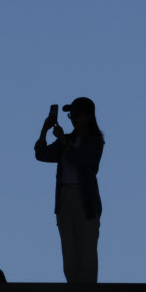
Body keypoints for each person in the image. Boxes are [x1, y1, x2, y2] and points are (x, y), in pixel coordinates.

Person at [34, 97, 105, 283]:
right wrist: (44, 130)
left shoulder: (95, 141)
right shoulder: (69, 139)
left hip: (85, 200)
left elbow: (84, 161)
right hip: (65, 198)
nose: (73, 119)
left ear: (88, 116)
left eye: (76, 115)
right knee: (69, 251)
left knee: (87, 251)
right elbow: (42, 155)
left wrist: (64, 140)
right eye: (71, 115)